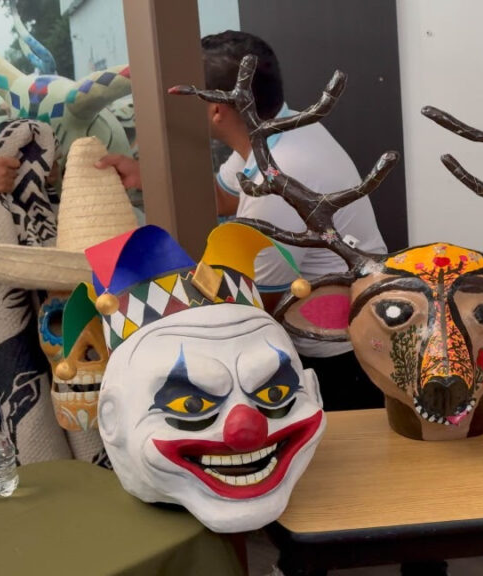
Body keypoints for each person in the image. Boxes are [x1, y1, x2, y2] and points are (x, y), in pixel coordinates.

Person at [97, 31, 386, 412]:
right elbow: (225, 197)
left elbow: (254, 302)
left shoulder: (281, 174)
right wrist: (143, 178)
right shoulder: (278, 129)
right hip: (329, 335)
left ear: (217, 110)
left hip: (336, 361)